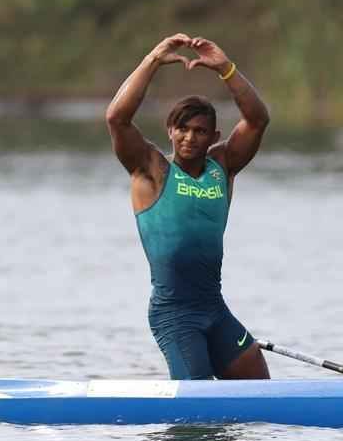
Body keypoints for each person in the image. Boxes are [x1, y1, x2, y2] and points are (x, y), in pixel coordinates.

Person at [105, 34, 271, 380]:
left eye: (200, 131)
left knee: (257, 386)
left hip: (215, 309)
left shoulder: (222, 166)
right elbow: (117, 119)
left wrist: (226, 69)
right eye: (182, 128)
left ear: (214, 136)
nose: (190, 137)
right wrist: (152, 59)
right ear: (170, 131)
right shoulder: (151, 170)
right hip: (175, 314)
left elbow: (257, 119)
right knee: (199, 406)